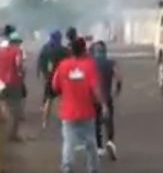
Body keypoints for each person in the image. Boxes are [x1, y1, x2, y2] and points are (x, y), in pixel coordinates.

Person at [51, 37, 108, 173]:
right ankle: (93, 169)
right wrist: (104, 105)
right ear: (84, 50)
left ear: (71, 50)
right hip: (86, 112)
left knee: (68, 142)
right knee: (91, 143)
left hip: (68, 112)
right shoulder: (89, 65)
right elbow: (96, 89)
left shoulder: (63, 65)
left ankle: (67, 167)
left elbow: (55, 85)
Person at [91, 41, 122, 161]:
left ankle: (98, 147)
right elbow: (119, 77)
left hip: (93, 98)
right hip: (107, 97)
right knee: (109, 121)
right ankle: (110, 142)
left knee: (95, 123)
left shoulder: (90, 64)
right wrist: (118, 90)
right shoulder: (111, 63)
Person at [38, 30, 69, 125]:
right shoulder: (64, 50)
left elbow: (40, 62)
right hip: (62, 78)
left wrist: (41, 73)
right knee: (63, 99)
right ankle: (65, 120)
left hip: (49, 77)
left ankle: (44, 122)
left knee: (48, 99)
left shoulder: (45, 48)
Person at [0, 32, 24, 141]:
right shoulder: (17, 51)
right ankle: (13, 135)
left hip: (1, 82)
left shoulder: (1, 51)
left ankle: (5, 130)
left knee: (4, 104)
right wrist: (21, 72)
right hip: (13, 82)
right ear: (16, 42)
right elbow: (18, 64)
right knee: (16, 109)